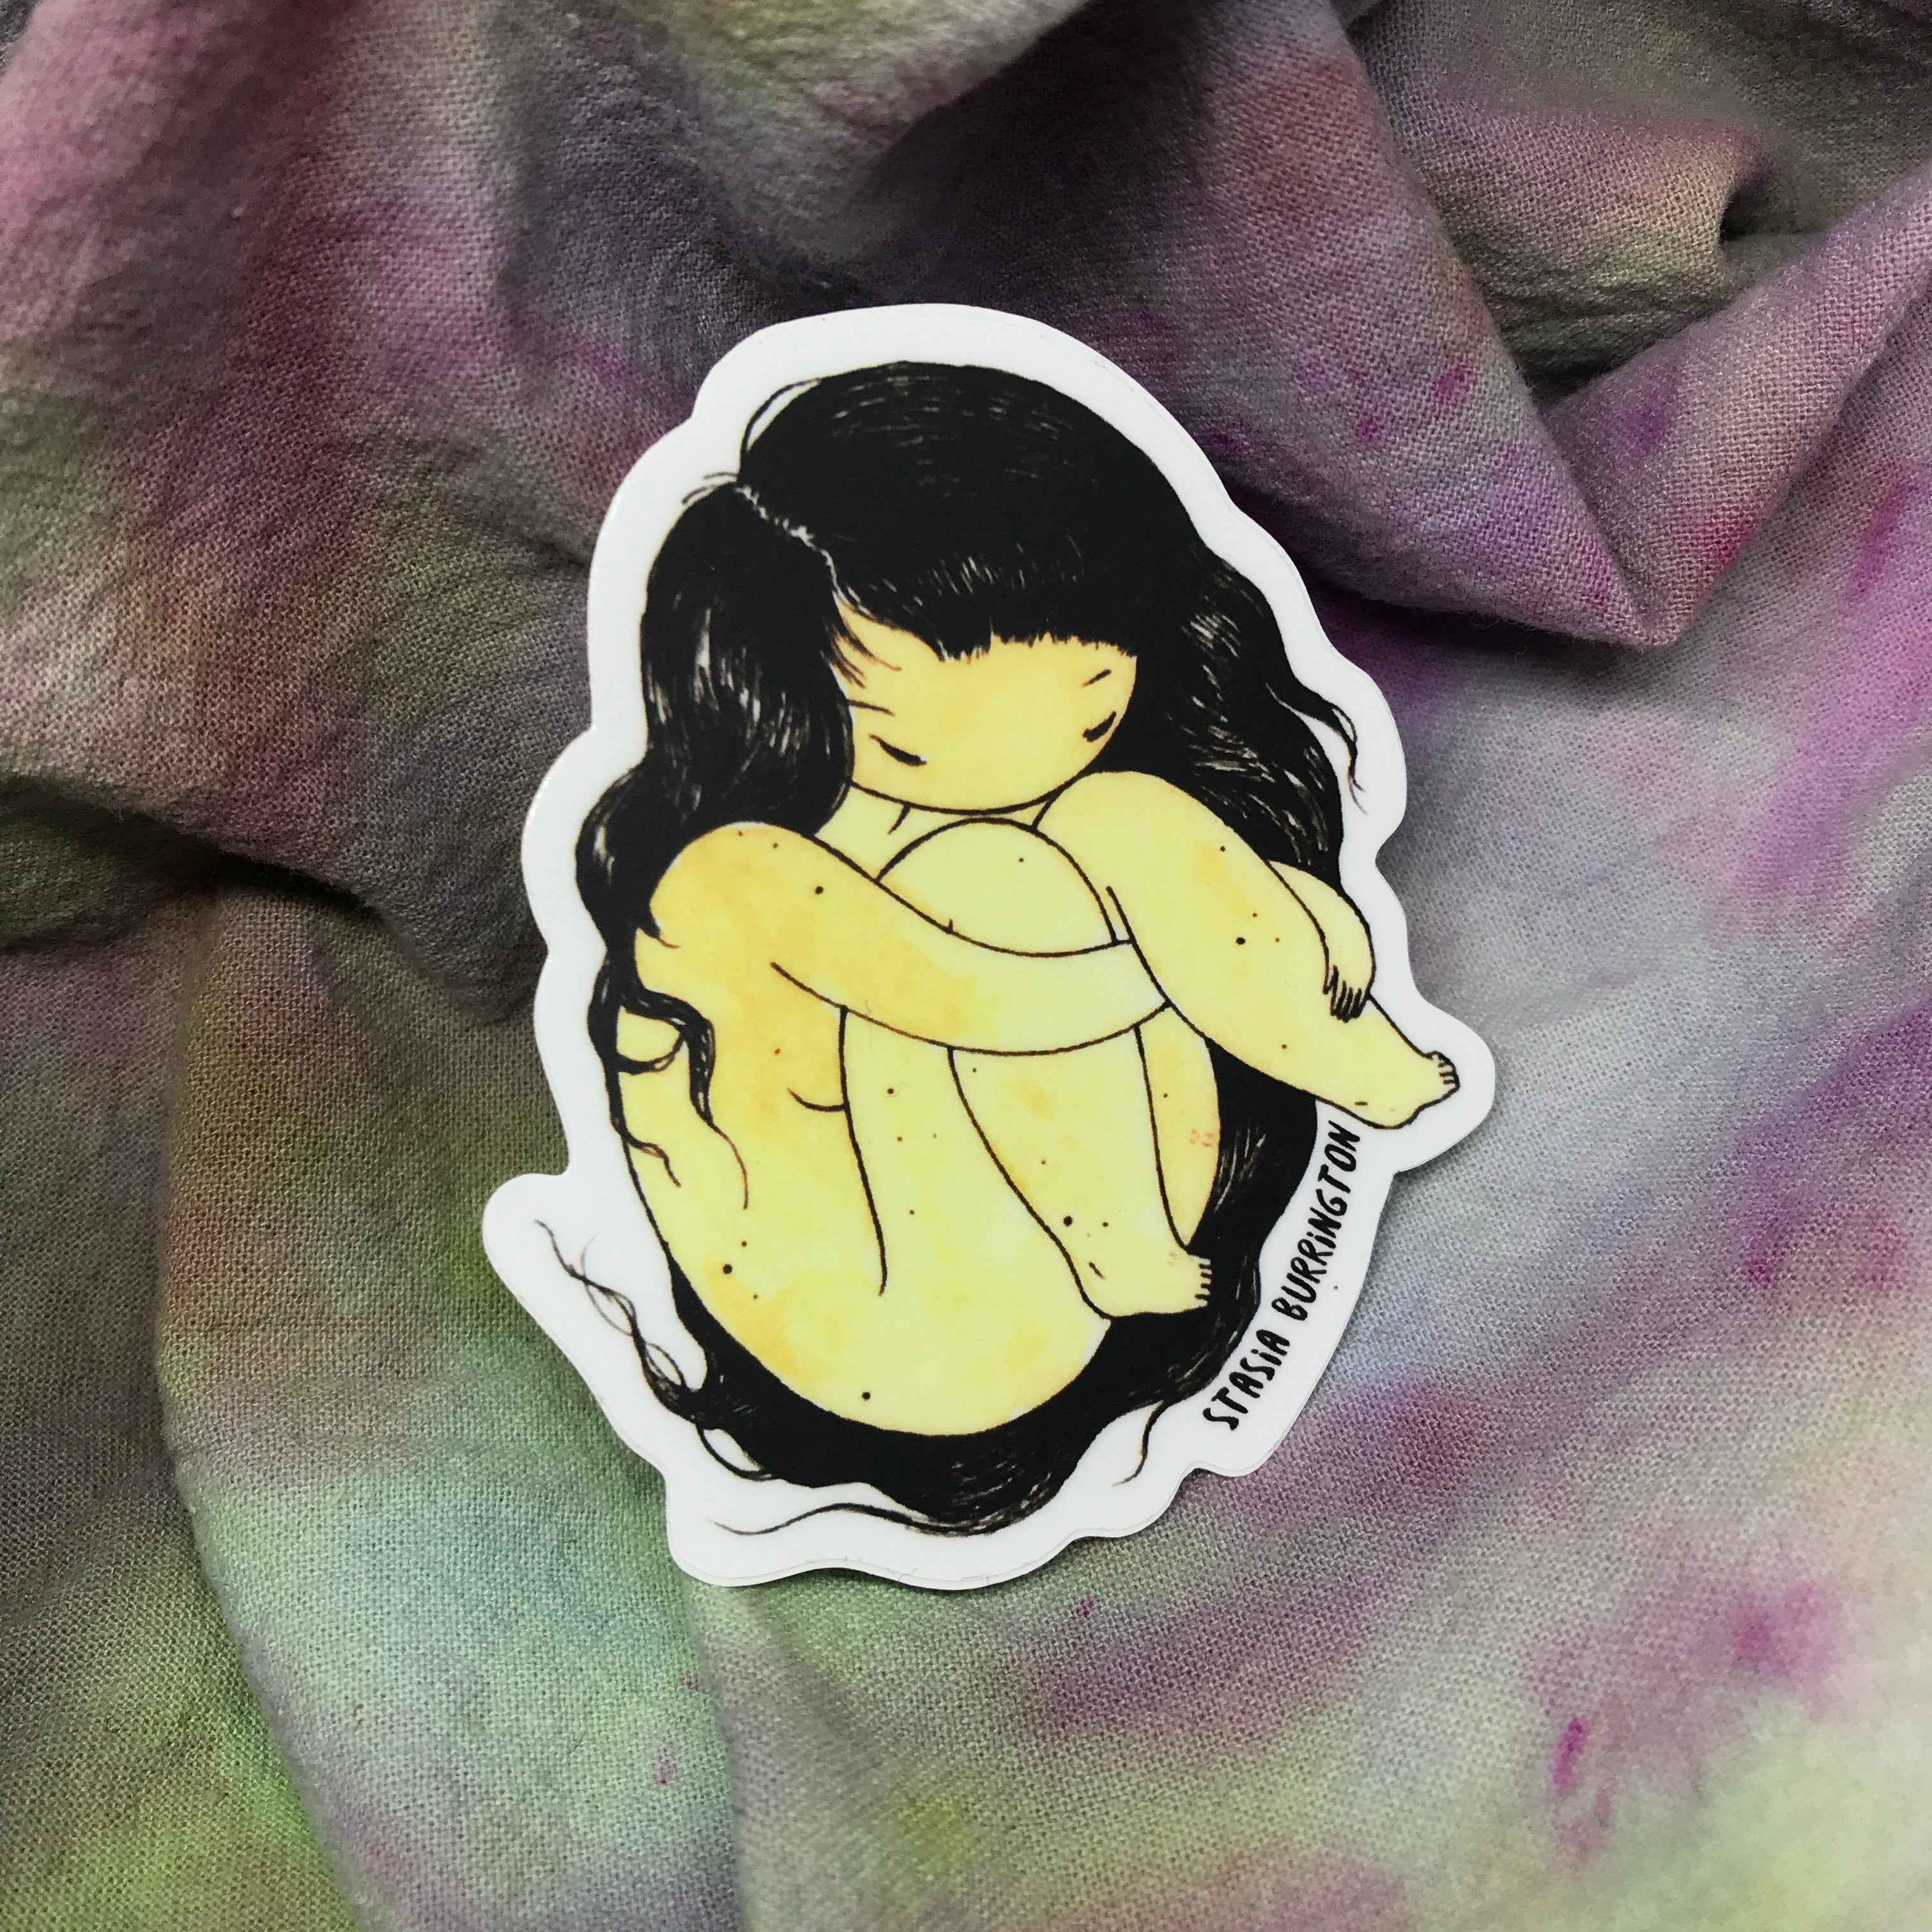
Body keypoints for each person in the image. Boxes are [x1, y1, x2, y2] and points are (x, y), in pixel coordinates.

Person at [576, 361, 1456, 1531]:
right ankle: (1126, 1229)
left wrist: (1270, 909)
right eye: (928, 700)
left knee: (1117, 814)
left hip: (1050, 1248)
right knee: (995, 876)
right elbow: (982, 1003)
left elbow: (1152, 876)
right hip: (902, 1326)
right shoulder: (736, 876)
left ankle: (1334, 1060)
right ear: (787, 674)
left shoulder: (1041, 809)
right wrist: (1203, 957)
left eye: (1094, 680)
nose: (1048, 726)